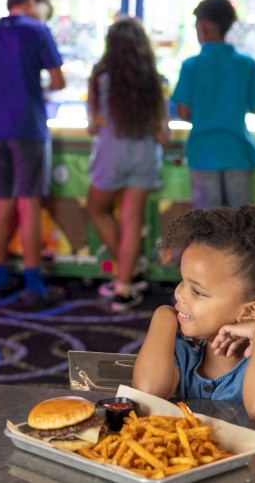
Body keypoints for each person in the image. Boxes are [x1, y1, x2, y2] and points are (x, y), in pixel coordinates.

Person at [132, 193, 255, 421]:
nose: (178, 293)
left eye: (197, 291)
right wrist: (163, 317)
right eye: (182, 281)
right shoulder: (182, 347)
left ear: (249, 312)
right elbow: (147, 393)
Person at [0, 0, 65, 308]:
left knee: (1, 203)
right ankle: (34, 286)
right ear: (32, 1)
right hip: (29, 128)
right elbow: (59, 82)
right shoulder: (39, 31)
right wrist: (36, 91)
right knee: (29, 203)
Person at [86, 18, 169, 312]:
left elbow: (93, 125)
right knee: (132, 220)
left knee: (97, 209)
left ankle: (125, 272)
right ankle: (124, 284)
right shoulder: (153, 78)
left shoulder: (100, 76)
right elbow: (163, 132)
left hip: (111, 151)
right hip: (144, 152)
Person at [171, 0, 255, 209]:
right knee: (240, 224)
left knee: (208, 228)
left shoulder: (191, 66)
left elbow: (183, 111)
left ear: (203, 27)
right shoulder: (247, 65)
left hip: (203, 153)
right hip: (238, 152)